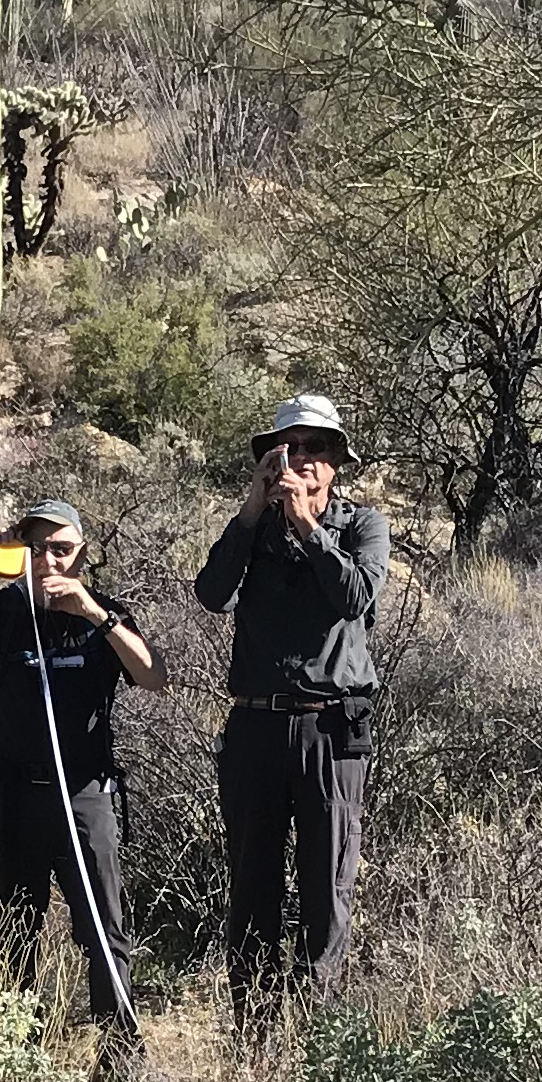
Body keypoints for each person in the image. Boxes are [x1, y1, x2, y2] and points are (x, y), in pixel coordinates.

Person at [0, 497, 166, 1026]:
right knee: (13, 929)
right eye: (36, 549)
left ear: (81, 555)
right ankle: (19, 1058)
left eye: (61, 550)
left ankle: (118, 1056)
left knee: (104, 929)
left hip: (83, 795)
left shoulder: (102, 613)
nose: (49, 562)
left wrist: (95, 614)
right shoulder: (3, 612)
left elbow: (153, 675)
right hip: (14, 794)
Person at [196, 395, 389, 1015]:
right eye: (289, 448)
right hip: (255, 724)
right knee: (252, 880)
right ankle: (252, 1030)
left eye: (315, 449)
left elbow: (354, 596)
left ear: (336, 463)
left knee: (325, 883)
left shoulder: (362, 527)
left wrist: (307, 526)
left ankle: (313, 1031)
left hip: (330, 729)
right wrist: (254, 511)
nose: (301, 460)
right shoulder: (252, 530)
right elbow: (211, 592)